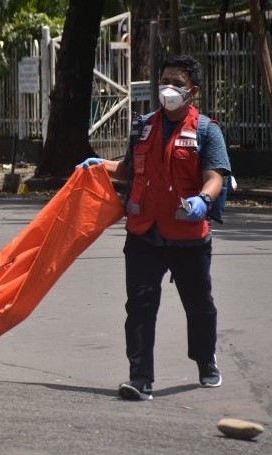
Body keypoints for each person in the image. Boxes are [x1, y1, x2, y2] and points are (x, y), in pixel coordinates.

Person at [79, 55, 231, 401]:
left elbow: (215, 176)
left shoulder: (207, 130)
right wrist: (99, 165)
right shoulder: (143, 126)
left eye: (177, 83)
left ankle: (206, 361)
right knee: (140, 306)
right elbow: (130, 169)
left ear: (193, 90)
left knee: (199, 306)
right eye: (164, 81)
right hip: (144, 234)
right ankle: (140, 379)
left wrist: (203, 201)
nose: (169, 89)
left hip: (188, 237)